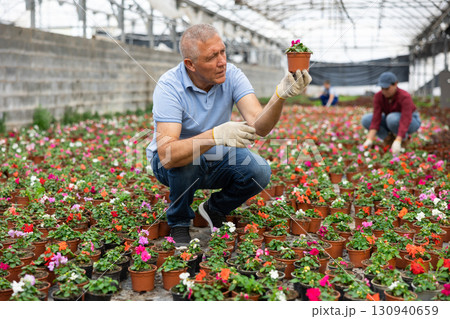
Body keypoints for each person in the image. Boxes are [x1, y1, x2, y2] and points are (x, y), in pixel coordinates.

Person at [146, 24, 312, 244]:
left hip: (215, 157)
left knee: (259, 171)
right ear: (190, 64)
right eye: (212, 57)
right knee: (189, 159)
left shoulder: (232, 74)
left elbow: (259, 126)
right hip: (173, 164)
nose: (222, 61)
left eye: (222, 51)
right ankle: (179, 223)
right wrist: (215, 135)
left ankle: (213, 208)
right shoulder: (169, 86)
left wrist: (279, 96)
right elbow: (168, 155)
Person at [361, 71, 421, 155]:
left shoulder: (404, 96)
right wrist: (369, 139)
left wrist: (399, 140)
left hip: (411, 121)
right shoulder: (378, 96)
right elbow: (376, 118)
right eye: (382, 88)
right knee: (366, 120)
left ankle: (403, 141)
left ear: (395, 84)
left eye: (387, 88)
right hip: (391, 119)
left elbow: (406, 119)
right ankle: (388, 139)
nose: (384, 91)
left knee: (392, 118)